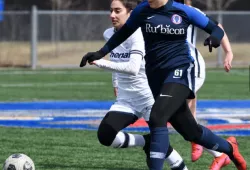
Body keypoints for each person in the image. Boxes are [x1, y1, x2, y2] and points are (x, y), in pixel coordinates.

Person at [80, 0, 247, 170]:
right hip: (155, 76)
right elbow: (122, 34)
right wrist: (100, 53)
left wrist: (215, 38)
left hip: (180, 70)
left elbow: (216, 29)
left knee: (157, 117)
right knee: (190, 132)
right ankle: (230, 149)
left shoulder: (183, 11)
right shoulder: (141, 11)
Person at [93, 0, 188, 169]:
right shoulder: (109, 34)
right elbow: (117, 58)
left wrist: (100, 62)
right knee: (105, 136)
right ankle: (146, 140)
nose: (112, 15)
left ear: (131, 12)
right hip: (126, 99)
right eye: (111, 11)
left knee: (163, 145)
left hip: (149, 97)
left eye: (117, 11)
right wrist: (115, 82)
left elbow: (133, 68)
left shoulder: (140, 33)